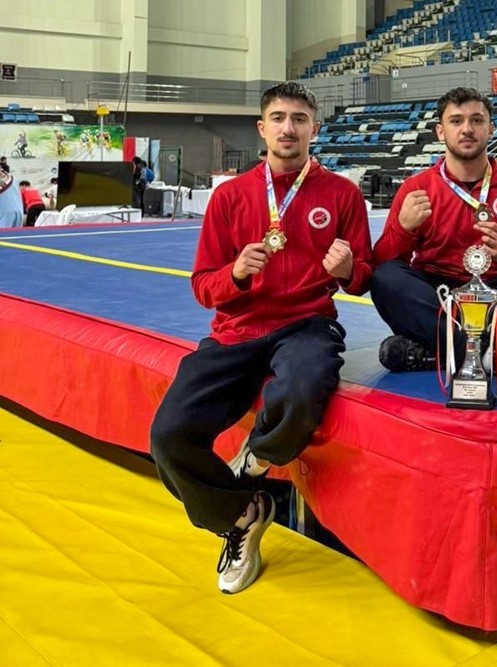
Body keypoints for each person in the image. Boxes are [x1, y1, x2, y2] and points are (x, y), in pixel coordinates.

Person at [149, 81, 374, 595]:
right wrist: (237, 276)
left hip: (305, 324)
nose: (288, 128)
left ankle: (256, 456)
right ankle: (242, 514)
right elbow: (204, 286)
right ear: (262, 128)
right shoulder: (230, 197)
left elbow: (364, 276)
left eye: (299, 118)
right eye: (278, 117)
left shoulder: (341, 193)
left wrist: (348, 270)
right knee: (169, 435)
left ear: (314, 128)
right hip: (236, 328)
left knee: (302, 386)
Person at [371, 86, 497, 378]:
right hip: (436, 300)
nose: (467, 129)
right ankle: (493, 354)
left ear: (490, 128)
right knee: (385, 278)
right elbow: (383, 262)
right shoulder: (415, 189)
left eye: (476, 120)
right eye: (456, 121)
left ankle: (431, 353)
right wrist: (404, 229)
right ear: (440, 131)